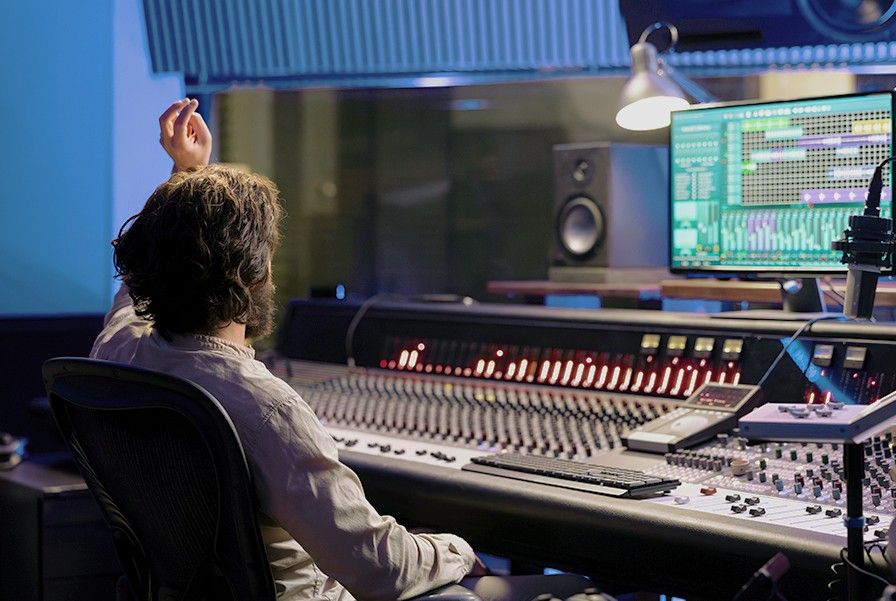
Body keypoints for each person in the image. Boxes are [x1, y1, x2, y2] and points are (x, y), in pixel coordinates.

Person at [91, 99, 593, 601]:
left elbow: (131, 297)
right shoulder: (266, 408)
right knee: (576, 588)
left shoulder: (118, 354)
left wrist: (184, 175)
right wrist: (455, 550)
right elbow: (381, 571)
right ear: (253, 277)